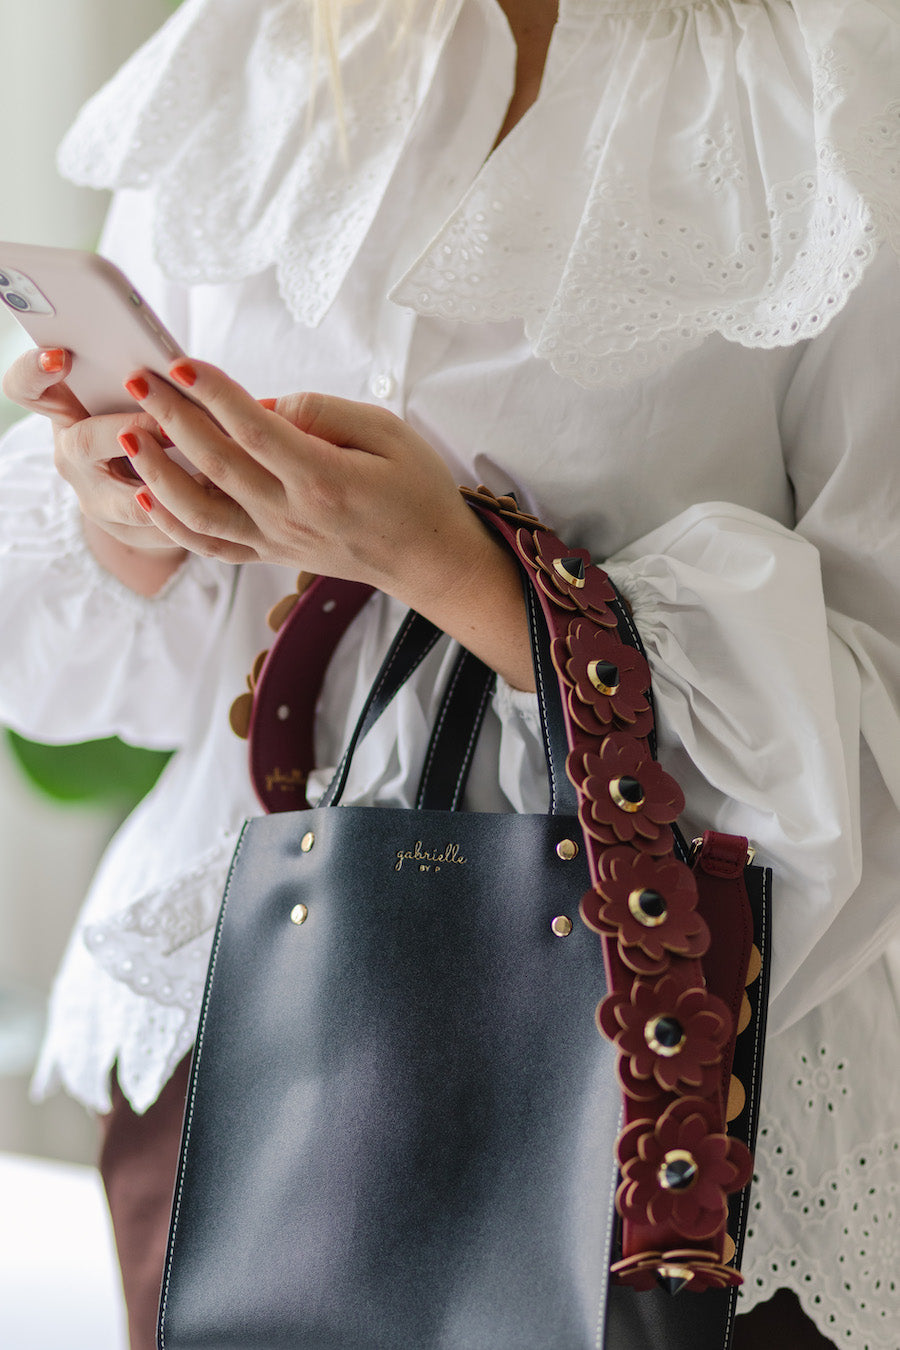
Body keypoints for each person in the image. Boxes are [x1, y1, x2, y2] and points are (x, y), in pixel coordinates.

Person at [2, 0, 899, 1346]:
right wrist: (128, 511)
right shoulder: (260, 40)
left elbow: (875, 715)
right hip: (240, 1045)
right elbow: (135, 664)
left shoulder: (835, 82)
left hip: (658, 1093)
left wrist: (464, 567)